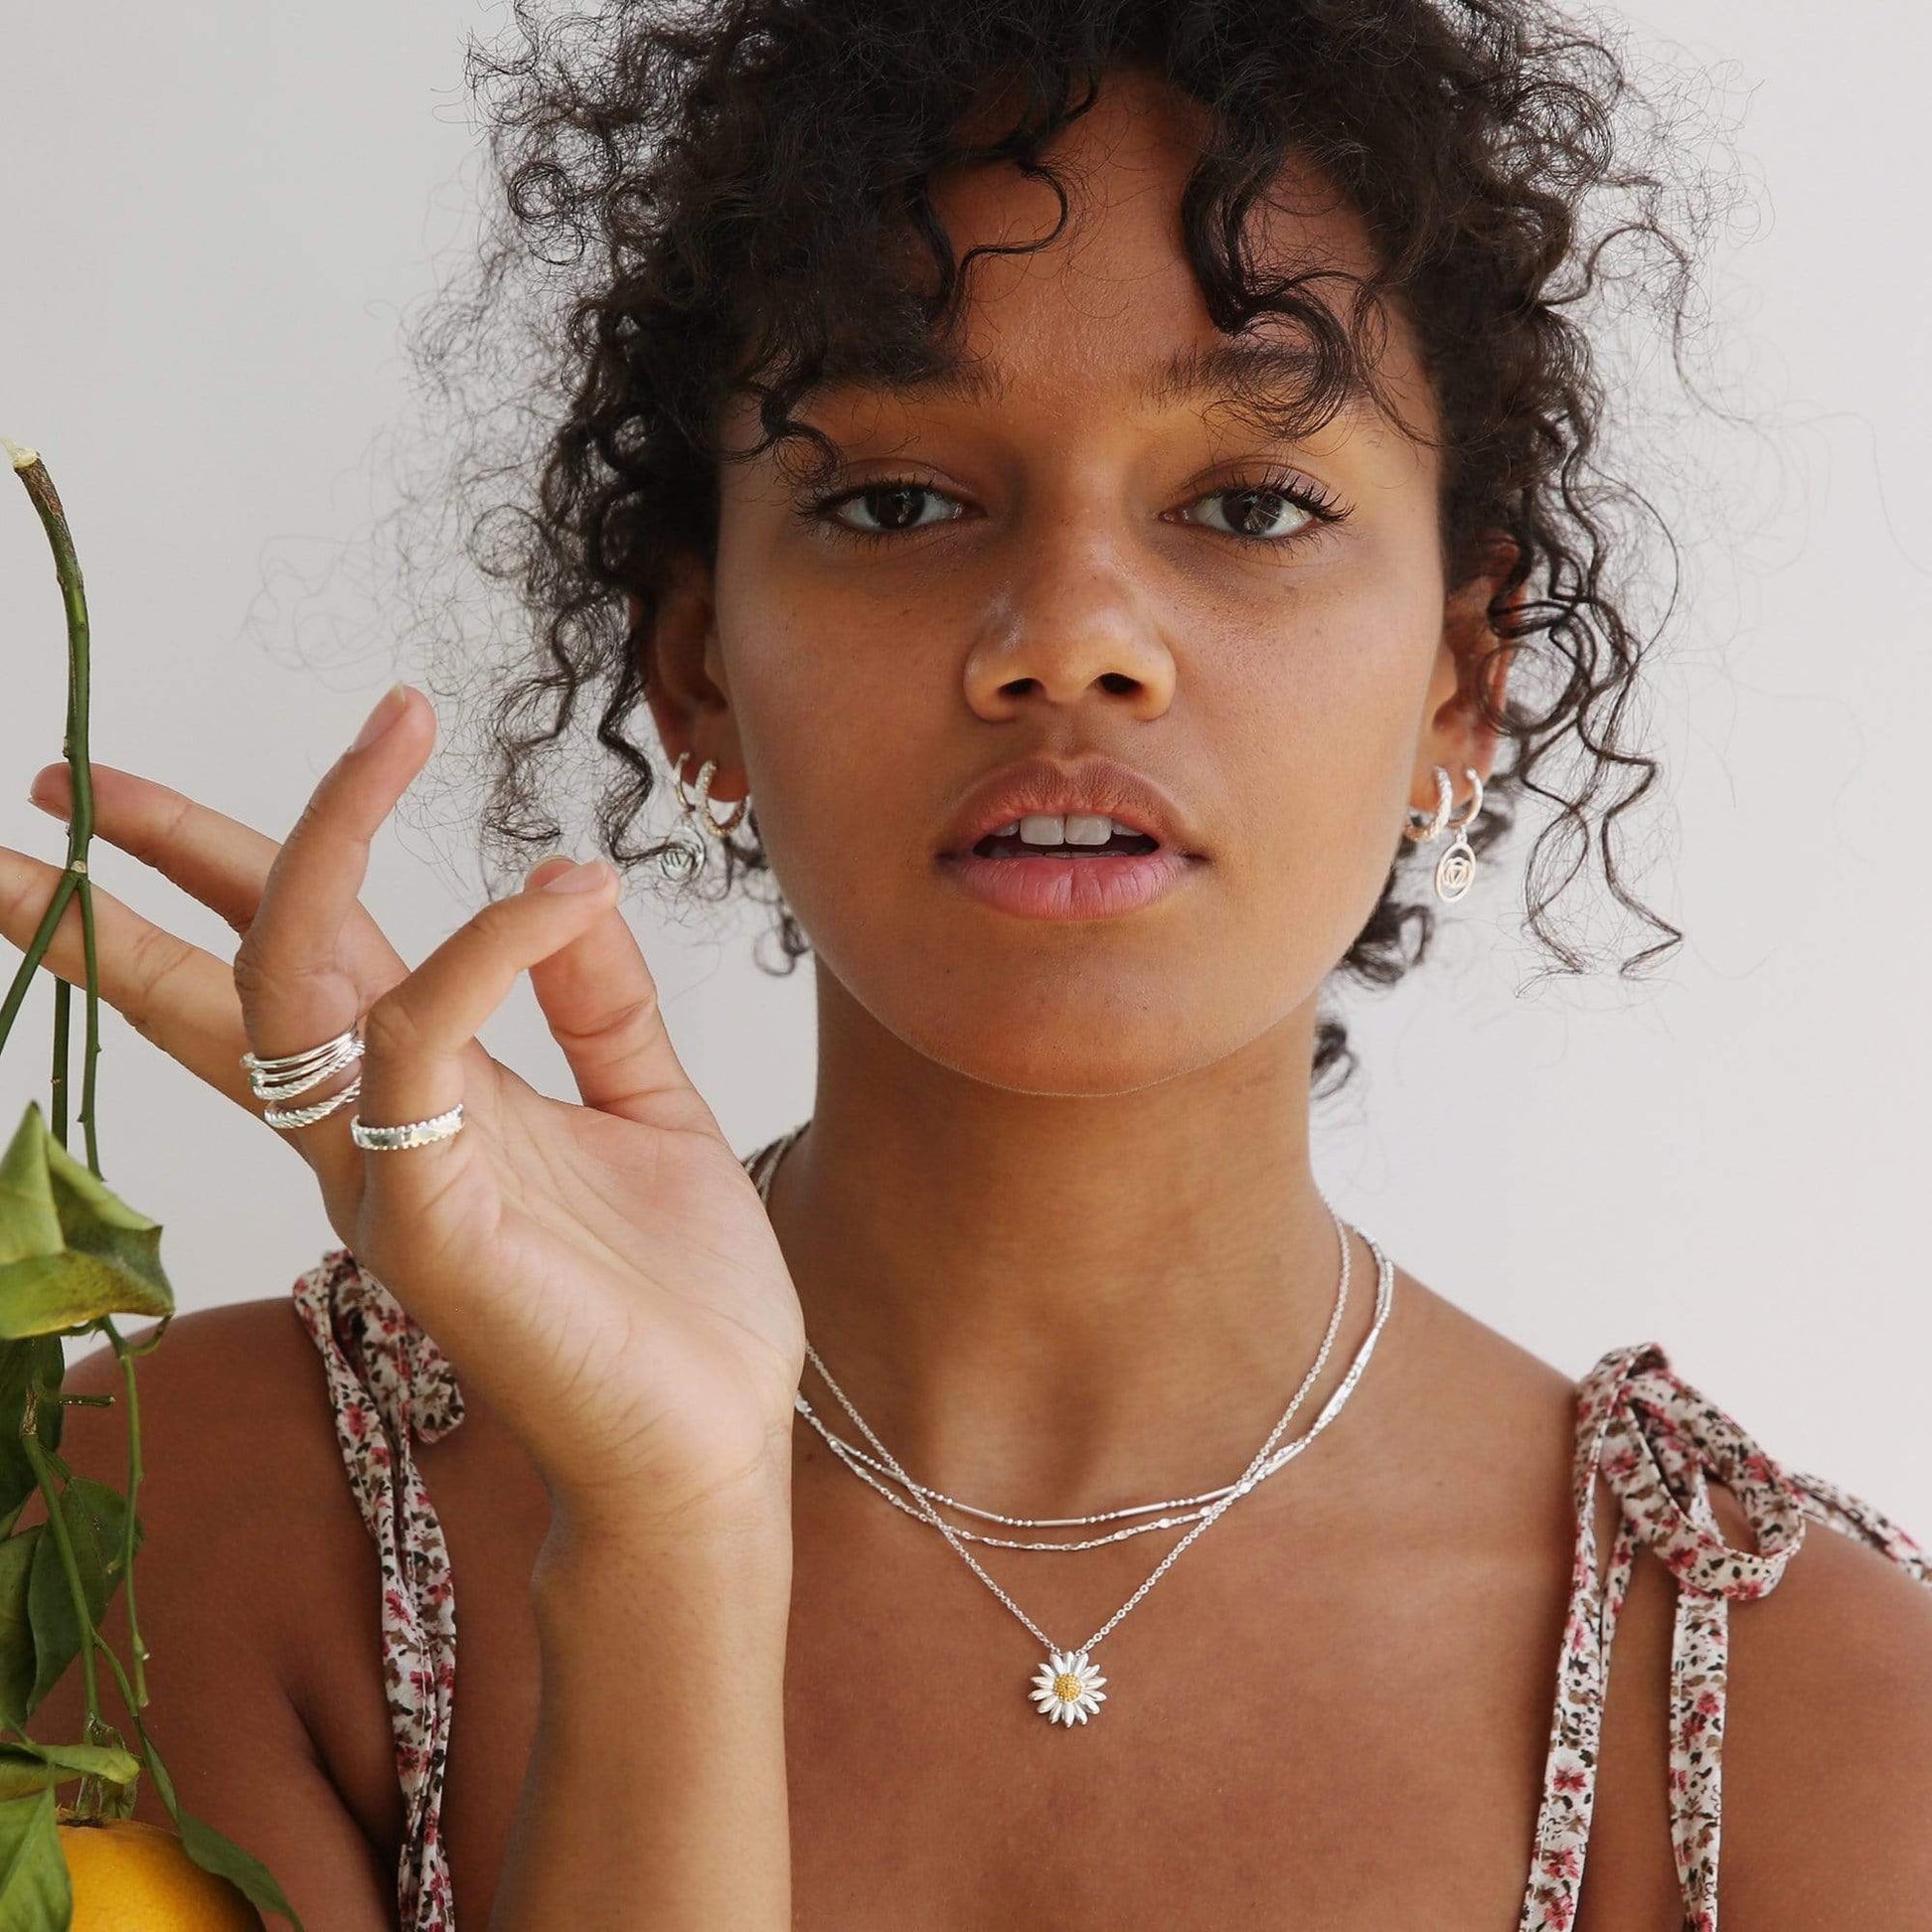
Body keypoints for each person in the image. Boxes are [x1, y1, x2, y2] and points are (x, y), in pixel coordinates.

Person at [4, 1, 1930, 1925]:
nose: (1072, 636)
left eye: (1251, 504)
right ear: (697, 669)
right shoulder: (166, 1530)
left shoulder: (1814, 1719)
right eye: (899, 502)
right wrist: (667, 1545)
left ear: (1462, 674)